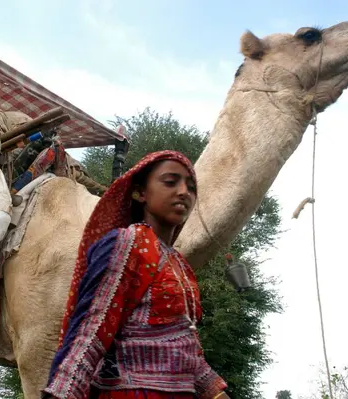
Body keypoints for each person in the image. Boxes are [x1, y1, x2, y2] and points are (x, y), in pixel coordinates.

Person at [42, 150, 229, 399]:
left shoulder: (179, 264)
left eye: (191, 187)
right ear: (140, 192)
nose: (184, 192)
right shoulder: (128, 243)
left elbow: (185, 347)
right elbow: (92, 330)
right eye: (171, 182)